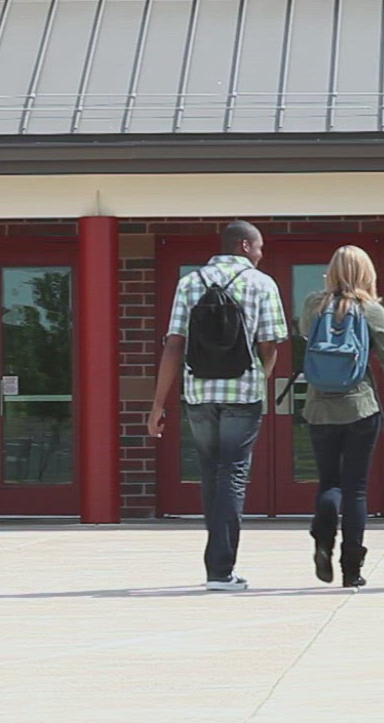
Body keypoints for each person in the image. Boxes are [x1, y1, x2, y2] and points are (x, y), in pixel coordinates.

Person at [148, 220, 287, 592]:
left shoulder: (189, 283)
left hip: (198, 392)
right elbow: (271, 343)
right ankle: (221, 570)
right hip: (243, 393)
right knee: (233, 473)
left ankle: (216, 566)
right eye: (259, 247)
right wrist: (260, 379)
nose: (261, 254)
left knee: (211, 473)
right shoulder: (261, 283)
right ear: (244, 245)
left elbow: (174, 344)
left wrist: (158, 404)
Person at [297, 245, 384, 589]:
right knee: (355, 489)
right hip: (361, 408)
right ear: (367, 273)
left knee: (329, 482)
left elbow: (307, 335)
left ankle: (323, 537)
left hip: (319, 408)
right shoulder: (371, 310)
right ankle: (351, 569)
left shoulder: (312, 305)